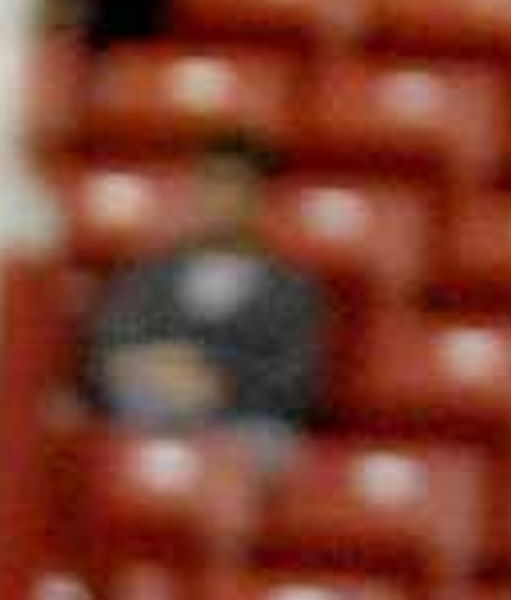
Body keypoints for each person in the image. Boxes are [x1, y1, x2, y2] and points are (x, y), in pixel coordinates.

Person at [75, 131, 326, 450]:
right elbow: (102, 353)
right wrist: (149, 364)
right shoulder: (148, 274)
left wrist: (218, 384)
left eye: (235, 184)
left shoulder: (292, 290)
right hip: (145, 412)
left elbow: (296, 385)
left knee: (268, 448)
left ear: (263, 198)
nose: (221, 197)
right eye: (211, 182)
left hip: (243, 428)